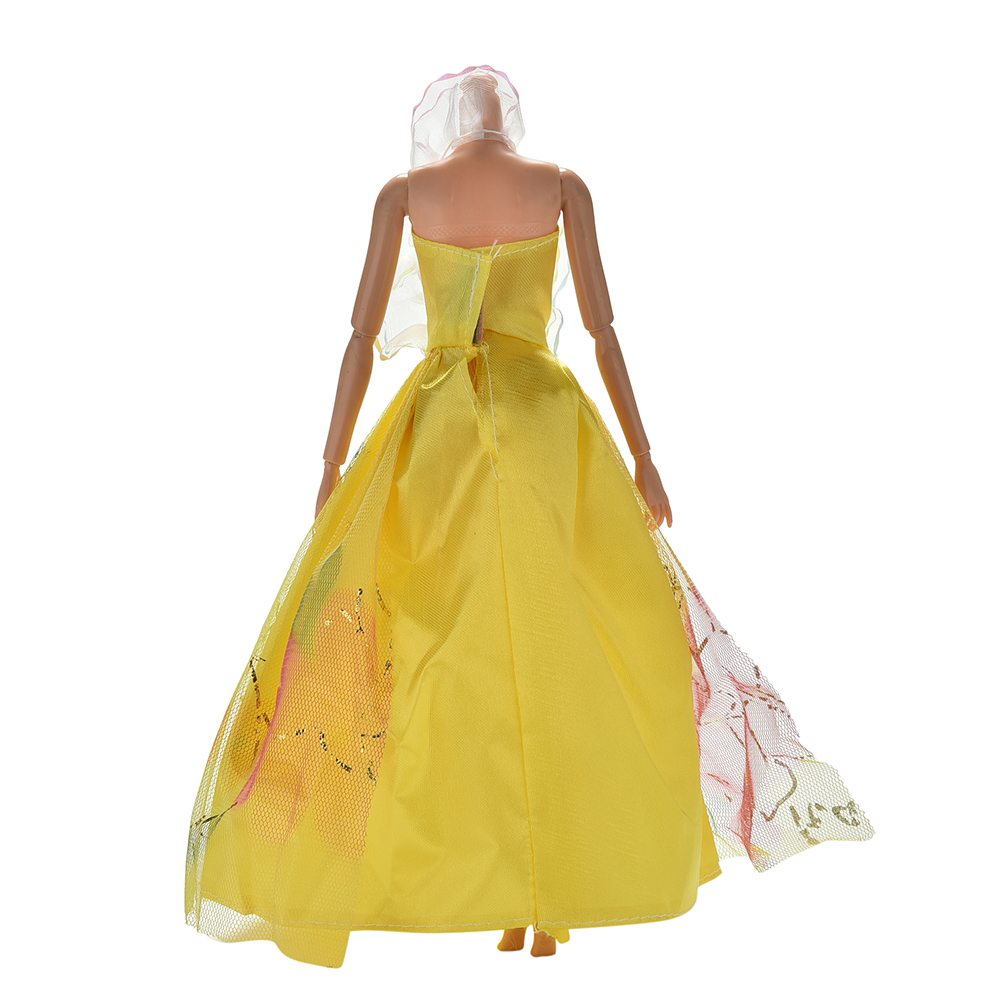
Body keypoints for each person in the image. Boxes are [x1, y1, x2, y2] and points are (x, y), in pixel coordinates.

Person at [185, 66, 873, 970]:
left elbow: (357, 339)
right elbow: (603, 332)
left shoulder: (408, 195)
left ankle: (512, 891)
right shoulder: (558, 187)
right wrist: (641, 455)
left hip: (437, 437)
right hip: (547, 426)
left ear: (450, 123)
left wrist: (331, 464)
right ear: (504, 120)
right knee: (558, 653)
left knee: (451, 662)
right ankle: (539, 900)